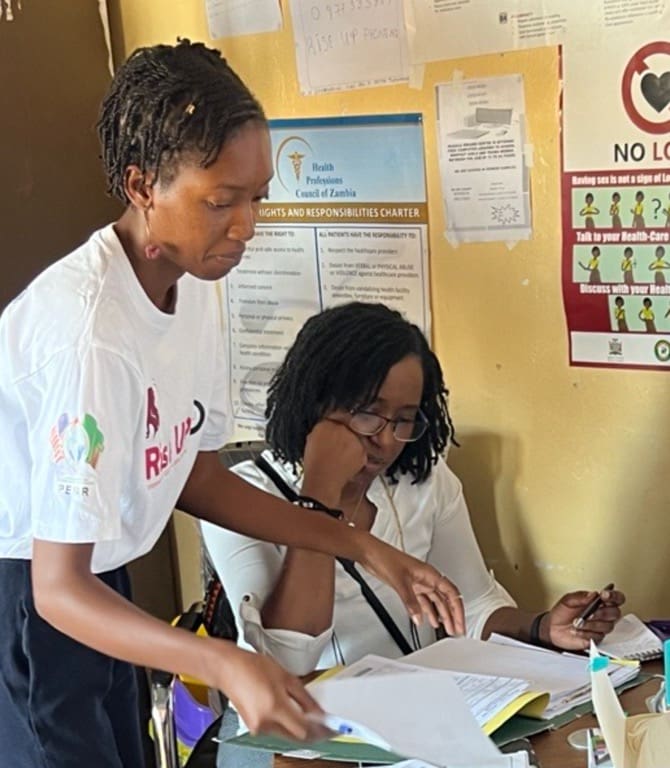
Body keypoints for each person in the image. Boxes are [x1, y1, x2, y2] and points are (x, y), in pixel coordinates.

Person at [0, 42, 463, 768]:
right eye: (222, 202)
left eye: (258, 197)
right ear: (142, 184)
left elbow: (195, 475)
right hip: (30, 597)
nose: (247, 225)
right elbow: (56, 591)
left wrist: (365, 547)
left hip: (97, 576)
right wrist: (224, 663)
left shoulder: (193, 283)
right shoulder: (91, 336)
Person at [203, 302, 625, 679]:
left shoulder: (423, 482)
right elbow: (286, 663)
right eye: (369, 413)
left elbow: (473, 606)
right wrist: (321, 489)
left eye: (404, 419)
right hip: (308, 744)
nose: (386, 441)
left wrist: (543, 628)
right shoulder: (240, 500)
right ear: (314, 402)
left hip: (418, 720)